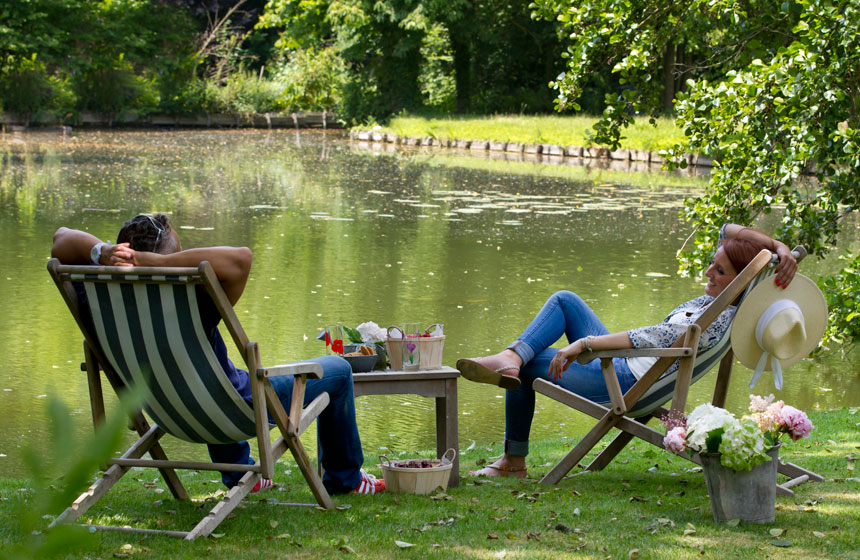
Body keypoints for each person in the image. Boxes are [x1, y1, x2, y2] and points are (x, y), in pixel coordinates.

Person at [51, 213, 385, 495]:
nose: (183, 265)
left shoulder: (96, 294)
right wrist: (162, 264)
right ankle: (346, 480)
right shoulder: (190, 299)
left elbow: (61, 239)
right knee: (338, 370)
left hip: (167, 411)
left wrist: (102, 252)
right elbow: (241, 258)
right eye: (177, 255)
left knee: (216, 374)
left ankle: (240, 474)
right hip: (231, 412)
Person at [456, 224, 798, 478]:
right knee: (565, 301)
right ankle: (511, 358)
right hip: (631, 370)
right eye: (713, 263)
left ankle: (513, 458)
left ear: (739, 280)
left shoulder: (714, 323)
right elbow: (729, 229)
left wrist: (584, 344)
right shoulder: (728, 304)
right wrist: (777, 246)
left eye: (719, 270)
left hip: (623, 383)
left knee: (529, 367)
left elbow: (644, 337)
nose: (708, 271)